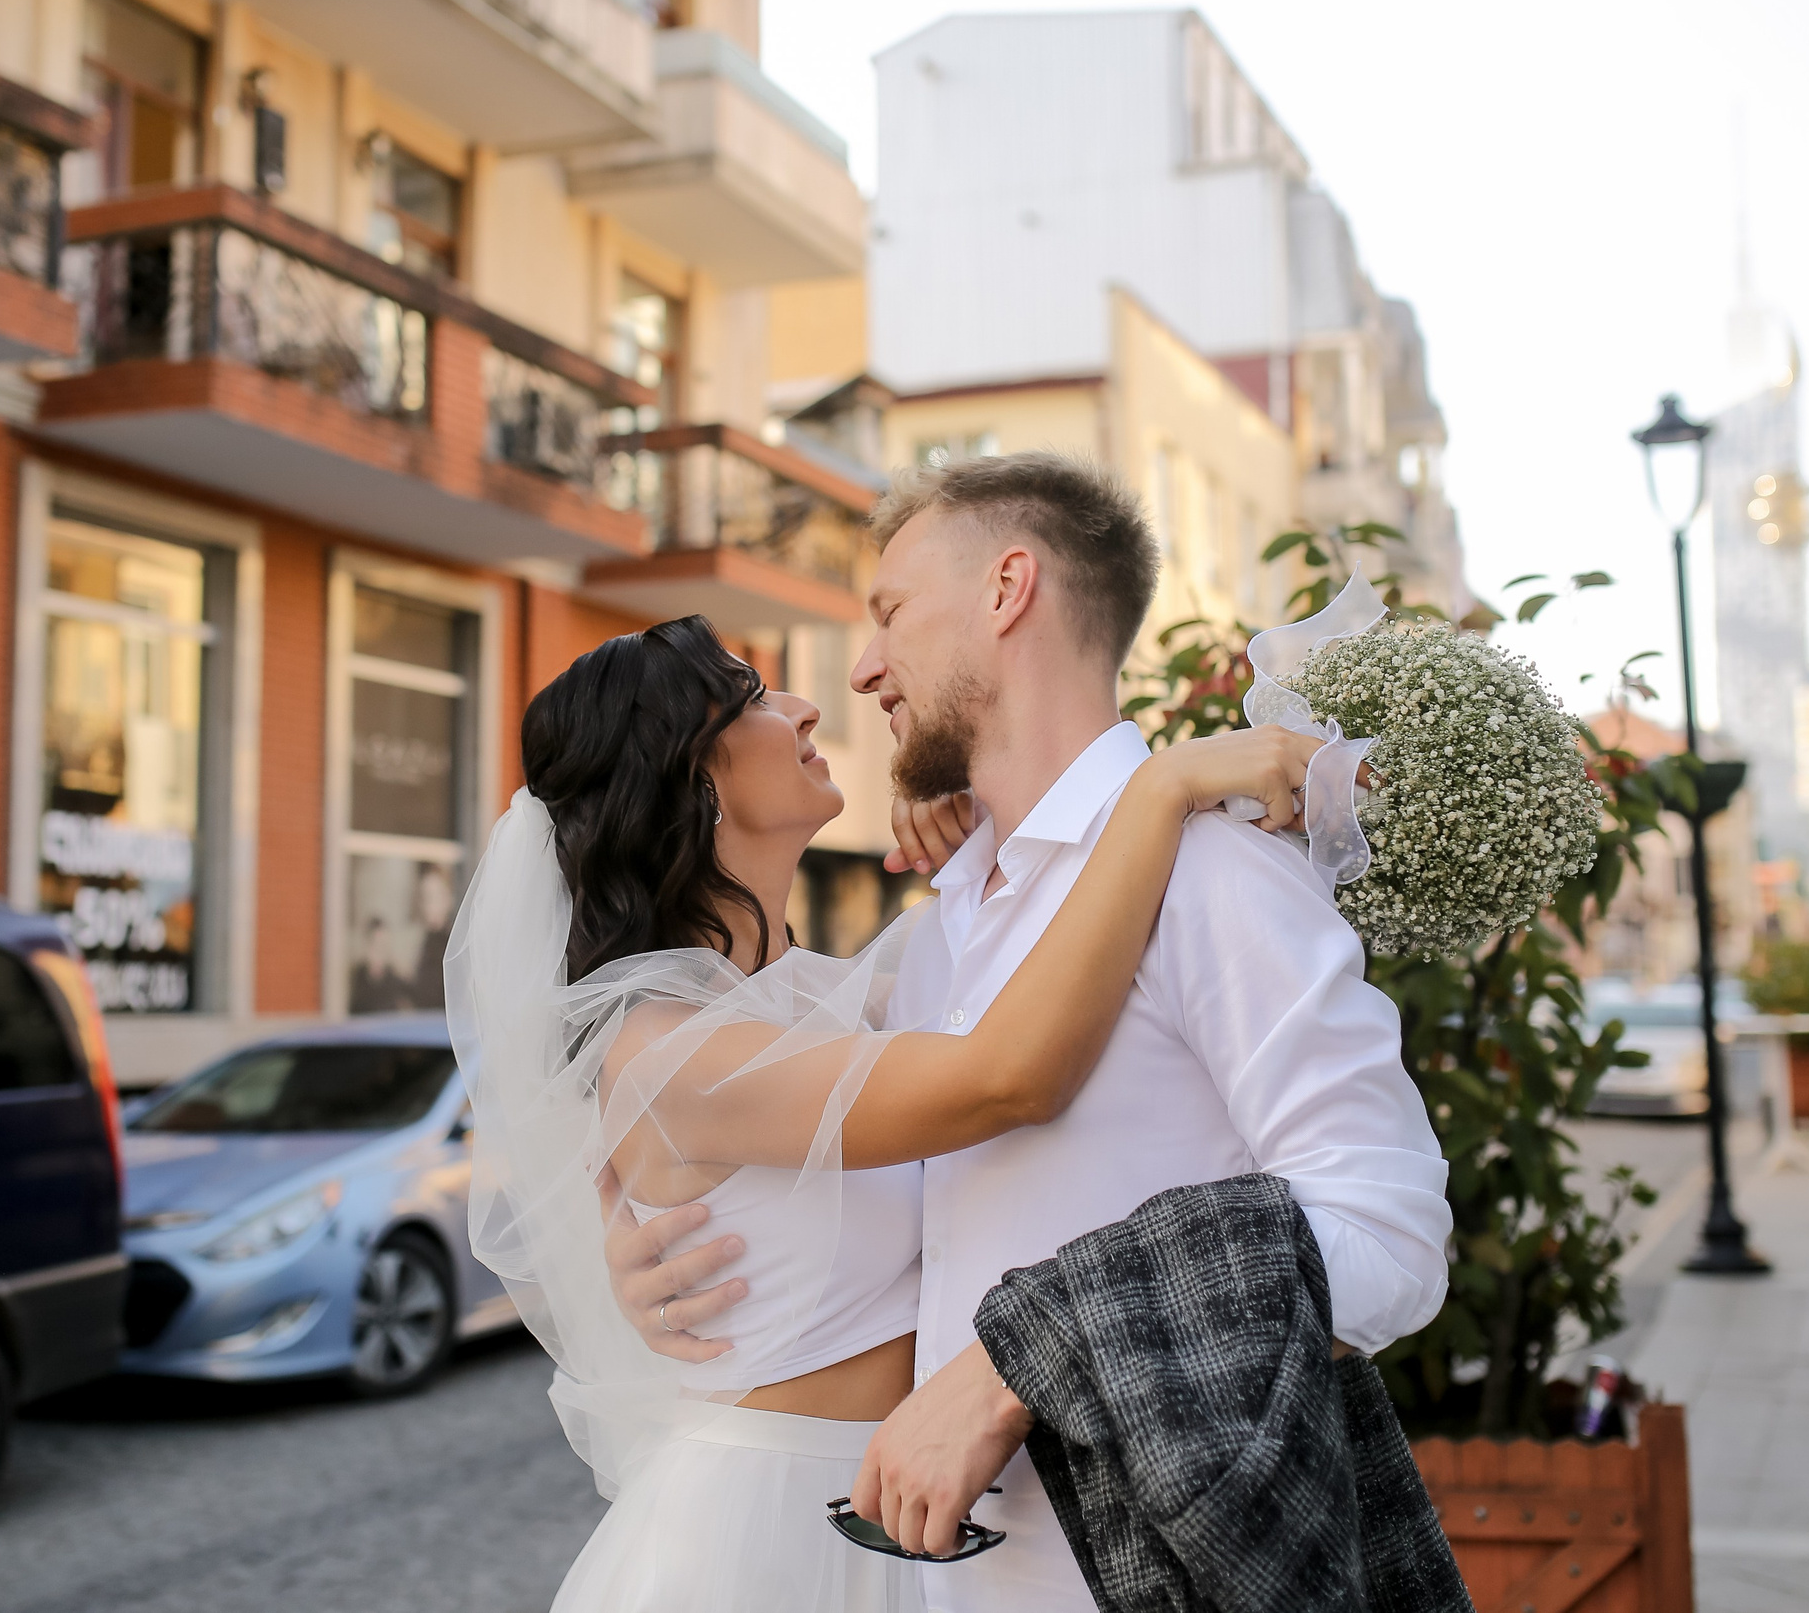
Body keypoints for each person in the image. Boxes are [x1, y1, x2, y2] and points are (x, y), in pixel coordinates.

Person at [605, 450, 1453, 1611]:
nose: (860, 670)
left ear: (1007, 590)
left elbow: (1390, 1235)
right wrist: (628, 1221)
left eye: (891, 613)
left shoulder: (1212, 869)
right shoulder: (942, 932)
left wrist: (1031, 1360)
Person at [445, 608, 1326, 1613]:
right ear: (698, 775)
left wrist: (978, 833)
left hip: (898, 1514)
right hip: (759, 1540)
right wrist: (1161, 786)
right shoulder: (668, 1047)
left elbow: (1010, 951)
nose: (807, 703)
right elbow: (1009, 1071)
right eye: (755, 697)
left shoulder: (810, 997)